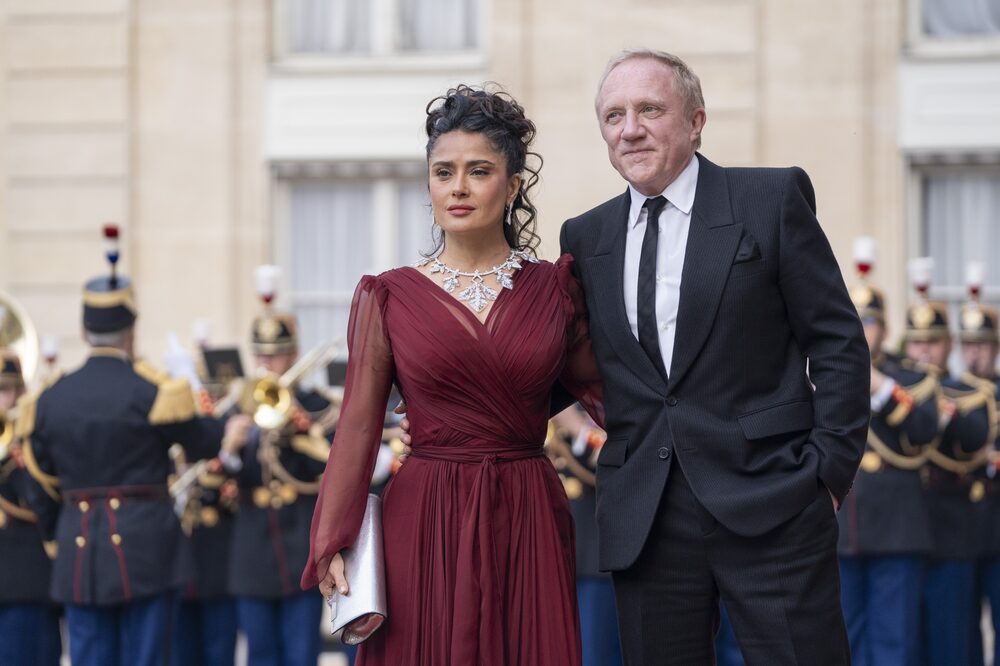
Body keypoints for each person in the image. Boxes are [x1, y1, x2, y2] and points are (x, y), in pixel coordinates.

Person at [558, 49, 870, 664]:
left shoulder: (769, 199)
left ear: (696, 120)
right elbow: (567, 363)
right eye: (614, 116)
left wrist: (827, 474)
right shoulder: (585, 237)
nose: (630, 129)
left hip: (774, 500)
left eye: (650, 110)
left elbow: (837, 340)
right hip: (646, 518)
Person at [302, 85, 604, 666]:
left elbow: (603, 393)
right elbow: (358, 425)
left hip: (528, 512)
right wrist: (333, 538)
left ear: (512, 186)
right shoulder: (387, 295)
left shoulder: (557, 288)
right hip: (424, 514)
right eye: (443, 172)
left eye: (479, 171)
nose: (458, 187)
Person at [16, 225, 250, 666]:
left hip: (78, 549)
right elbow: (202, 442)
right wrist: (216, 417)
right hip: (149, 551)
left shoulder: (47, 401)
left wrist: (55, 535)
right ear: (132, 331)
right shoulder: (155, 392)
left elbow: (38, 481)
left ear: (84, 331)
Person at [224, 277, 347, 666]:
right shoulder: (238, 408)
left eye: (276, 356)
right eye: (261, 355)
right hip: (251, 550)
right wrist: (230, 449)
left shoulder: (313, 406)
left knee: (301, 653)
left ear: (293, 354)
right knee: (260, 653)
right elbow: (223, 477)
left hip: (298, 546)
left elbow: (332, 468)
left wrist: (301, 431)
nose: (267, 364)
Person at [837, 246, 939, 666]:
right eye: (856, 319)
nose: (863, 329)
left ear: (885, 328)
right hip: (844, 530)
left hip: (898, 528)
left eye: (871, 321)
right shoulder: (827, 374)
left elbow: (925, 428)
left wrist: (880, 388)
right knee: (847, 639)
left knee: (894, 642)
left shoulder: (911, 378)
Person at [900, 274, 993, 666]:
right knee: (904, 643)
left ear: (948, 345)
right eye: (916, 341)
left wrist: (940, 411)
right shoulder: (893, 388)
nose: (924, 351)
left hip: (951, 533)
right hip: (900, 530)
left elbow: (975, 437)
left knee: (952, 643)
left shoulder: (967, 393)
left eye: (933, 341)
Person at [0, 349, 61, 666]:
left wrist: (20, 458)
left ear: (19, 393)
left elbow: (43, 504)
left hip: (24, 582)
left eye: (3, 390)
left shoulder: (32, 442)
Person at [959, 287, 1000, 666]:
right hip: (958, 529)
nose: (975, 354)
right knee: (960, 632)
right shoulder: (949, 392)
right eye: (969, 346)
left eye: (982, 345)